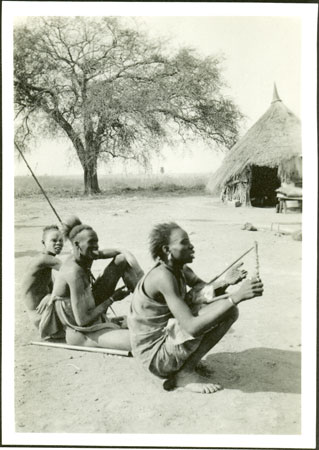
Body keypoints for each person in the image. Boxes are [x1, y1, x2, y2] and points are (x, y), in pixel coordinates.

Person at [128, 222, 264, 394]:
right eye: (184, 243)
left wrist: (225, 282)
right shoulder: (162, 277)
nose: (191, 246)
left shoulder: (179, 269)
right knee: (228, 309)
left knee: (222, 308)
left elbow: (203, 292)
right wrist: (237, 297)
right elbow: (191, 326)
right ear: (166, 249)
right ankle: (185, 374)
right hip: (156, 358)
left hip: (162, 344)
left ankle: (186, 365)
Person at [48, 216, 144, 350]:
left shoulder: (85, 255)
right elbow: (82, 321)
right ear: (77, 245)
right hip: (82, 330)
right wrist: (112, 298)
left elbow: (109, 253)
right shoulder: (74, 273)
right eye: (91, 242)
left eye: (97, 243)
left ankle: (148, 304)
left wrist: (125, 253)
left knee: (121, 260)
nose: (96, 247)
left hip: (89, 306)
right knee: (142, 341)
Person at [22, 225, 64, 331]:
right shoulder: (45, 260)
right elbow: (75, 273)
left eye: (61, 240)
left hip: (39, 315)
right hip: (41, 318)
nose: (58, 243)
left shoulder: (44, 261)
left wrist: (52, 295)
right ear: (43, 242)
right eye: (54, 240)